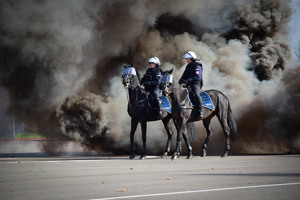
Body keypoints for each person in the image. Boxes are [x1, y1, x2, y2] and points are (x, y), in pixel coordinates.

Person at [178, 51, 203, 118]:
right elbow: (184, 75)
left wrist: (188, 80)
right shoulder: (188, 66)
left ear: (192, 59)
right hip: (188, 84)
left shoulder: (198, 66)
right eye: (187, 59)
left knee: (196, 94)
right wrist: (180, 81)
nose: (187, 60)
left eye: (188, 59)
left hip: (196, 84)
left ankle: (200, 111)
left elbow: (197, 77)